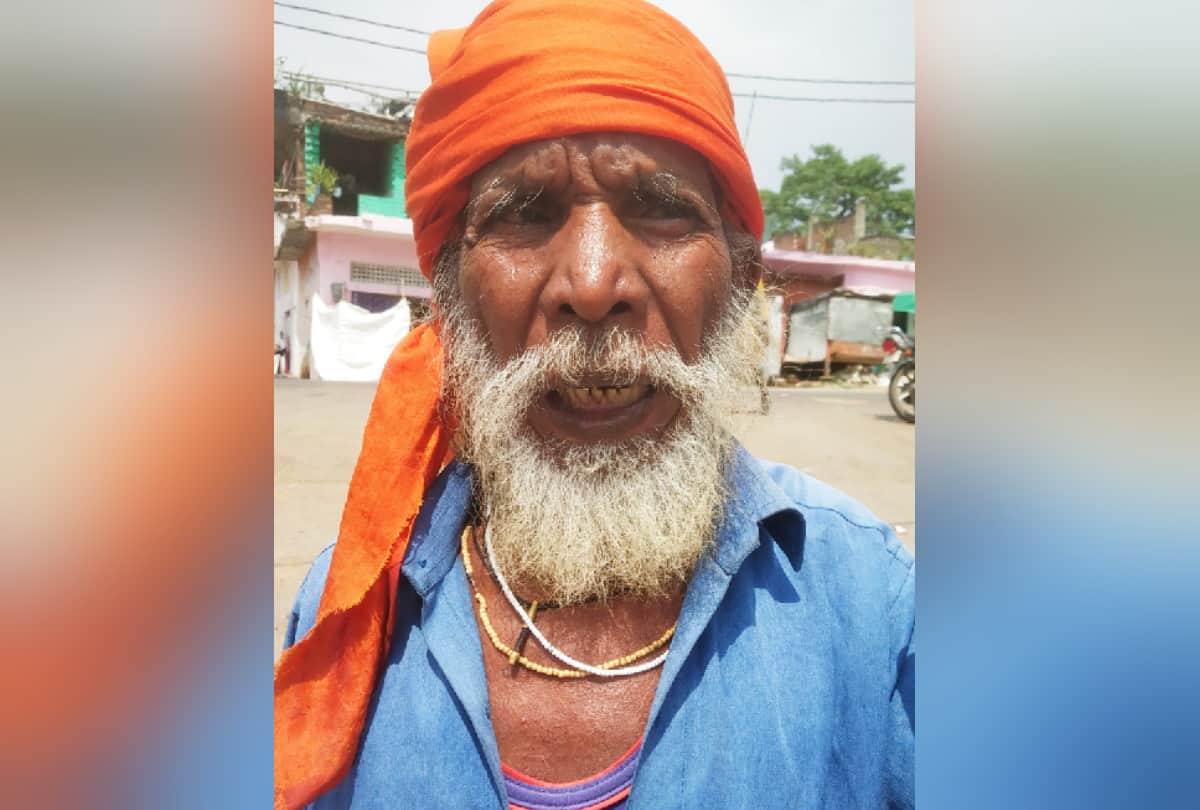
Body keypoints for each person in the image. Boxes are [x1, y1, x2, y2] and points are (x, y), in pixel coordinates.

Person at [274, 1, 914, 808]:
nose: (592, 285)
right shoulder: (348, 610)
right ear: (449, 292)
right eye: (524, 215)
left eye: (661, 207)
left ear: (743, 279)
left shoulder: (870, 601)